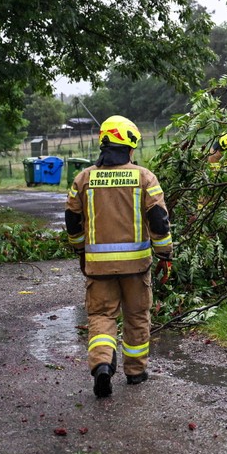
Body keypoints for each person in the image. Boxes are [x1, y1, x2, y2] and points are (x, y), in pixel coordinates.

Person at [66, 115, 173, 398]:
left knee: (101, 316)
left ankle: (102, 364)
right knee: (137, 316)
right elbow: (159, 222)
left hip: (98, 268)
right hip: (137, 267)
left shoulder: (83, 179)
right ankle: (135, 372)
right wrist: (165, 254)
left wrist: (80, 249)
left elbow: (72, 222)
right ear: (129, 144)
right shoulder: (144, 178)